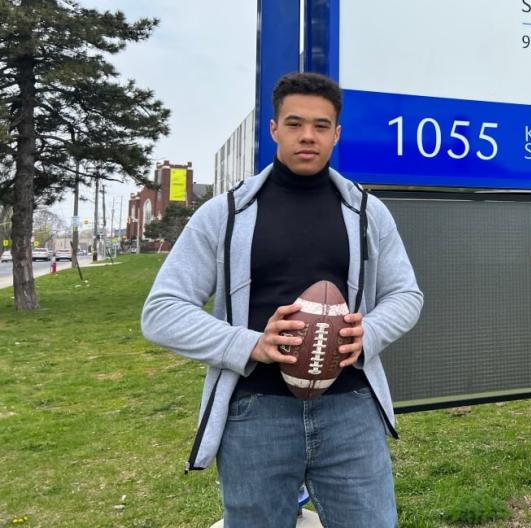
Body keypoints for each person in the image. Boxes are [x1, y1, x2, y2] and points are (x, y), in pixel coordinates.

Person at [141, 72, 423, 527]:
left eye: (320, 125)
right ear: (273, 130)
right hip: (256, 413)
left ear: (337, 134)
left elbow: (406, 294)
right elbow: (161, 312)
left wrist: (366, 333)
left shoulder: (368, 212)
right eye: (294, 124)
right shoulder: (224, 214)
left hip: (350, 409)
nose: (307, 136)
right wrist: (250, 344)